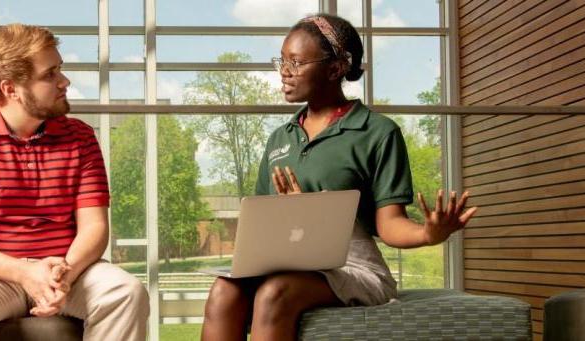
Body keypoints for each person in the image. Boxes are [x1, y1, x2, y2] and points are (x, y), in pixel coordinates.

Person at [199, 14, 478, 341]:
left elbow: (389, 224)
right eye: (282, 61)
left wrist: (429, 234)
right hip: (289, 263)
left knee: (275, 293)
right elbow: (261, 223)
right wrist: (293, 217)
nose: (284, 72)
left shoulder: (377, 132)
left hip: (354, 267)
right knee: (223, 291)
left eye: (296, 62)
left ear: (335, 69)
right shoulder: (280, 139)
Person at [0, 23, 149, 340]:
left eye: (60, 70)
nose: (64, 81)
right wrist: (25, 272)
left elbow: (95, 227)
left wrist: (62, 276)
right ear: (10, 89)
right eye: (50, 74)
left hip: (68, 269)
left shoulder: (80, 137)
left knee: (127, 291)